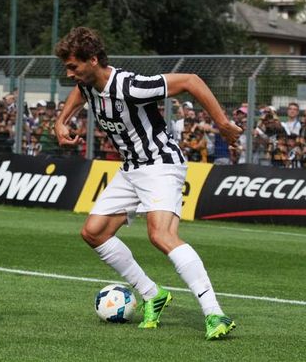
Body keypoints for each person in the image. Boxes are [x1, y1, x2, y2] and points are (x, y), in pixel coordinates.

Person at [54, 27, 241, 340]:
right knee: (93, 232)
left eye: (73, 66)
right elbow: (79, 93)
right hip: (131, 168)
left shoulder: (130, 86)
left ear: (94, 60)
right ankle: (152, 294)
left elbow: (190, 81)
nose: (69, 73)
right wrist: (62, 121)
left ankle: (214, 313)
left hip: (160, 165)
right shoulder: (87, 83)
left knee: (161, 235)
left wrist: (222, 122)